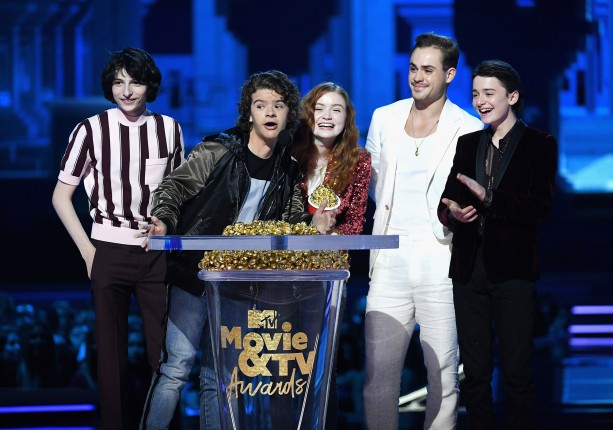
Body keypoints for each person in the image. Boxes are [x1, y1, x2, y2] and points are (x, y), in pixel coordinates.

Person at [139, 70, 337, 430]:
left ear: (288, 115)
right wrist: (163, 220)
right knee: (176, 368)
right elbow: (174, 188)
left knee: (221, 375)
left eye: (278, 105)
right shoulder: (218, 150)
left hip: (235, 283)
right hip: (193, 274)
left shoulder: (288, 169)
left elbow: (291, 224)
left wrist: (315, 225)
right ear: (248, 113)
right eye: (261, 105)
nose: (270, 112)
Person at [51, 47, 185, 430]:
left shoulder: (169, 129)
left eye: (135, 82)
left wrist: (165, 224)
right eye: (118, 82)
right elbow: (60, 196)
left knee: (165, 358)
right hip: (106, 251)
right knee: (111, 361)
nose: (126, 91)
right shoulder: (90, 130)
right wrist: (88, 253)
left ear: (149, 85)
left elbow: (177, 193)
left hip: (155, 253)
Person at [364, 32, 483, 429]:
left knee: (444, 374)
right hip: (388, 255)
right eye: (413, 68)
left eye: (428, 70)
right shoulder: (384, 118)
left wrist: (460, 215)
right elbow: (372, 184)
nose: (417, 76)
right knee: (378, 374)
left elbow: (471, 193)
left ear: (449, 74)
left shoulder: (468, 127)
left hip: (440, 257)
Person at [438, 59, 558, 430]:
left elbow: (540, 206)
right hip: (468, 270)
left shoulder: (540, 144)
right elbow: (447, 201)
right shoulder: (467, 144)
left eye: (489, 93)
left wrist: (488, 197)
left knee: (517, 375)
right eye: (476, 93)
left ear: (513, 96)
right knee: (474, 375)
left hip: (513, 272)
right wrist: (452, 214)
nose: (481, 101)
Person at [292, 82, 371, 428]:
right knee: (285, 359)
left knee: (323, 365)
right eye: (320, 108)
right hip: (284, 271)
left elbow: (355, 223)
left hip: (330, 273)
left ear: (346, 118)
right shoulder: (288, 155)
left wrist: (328, 236)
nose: (327, 116)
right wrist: (309, 229)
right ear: (308, 115)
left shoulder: (358, 160)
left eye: (336, 109)